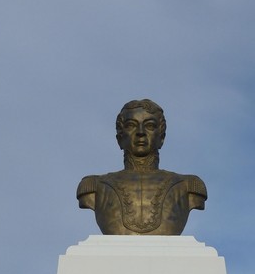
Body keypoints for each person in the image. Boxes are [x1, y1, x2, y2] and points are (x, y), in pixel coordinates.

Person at [77, 99, 207, 235]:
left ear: (161, 137)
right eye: (131, 125)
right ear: (119, 138)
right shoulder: (94, 186)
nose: (140, 132)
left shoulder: (188, 185)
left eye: (149, 126)